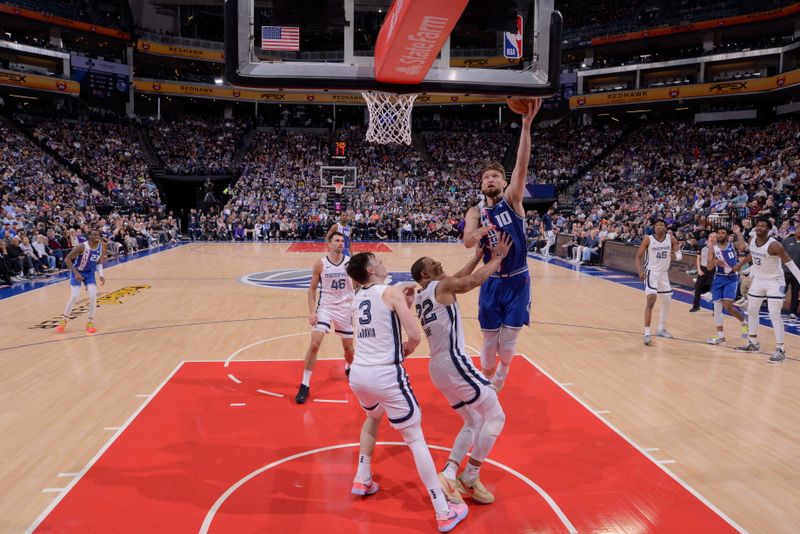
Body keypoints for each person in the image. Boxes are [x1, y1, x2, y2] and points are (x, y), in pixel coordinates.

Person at [345, 252, 469, 532]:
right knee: (415, 438)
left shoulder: (356, 297)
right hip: (385, 374)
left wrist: (406, 300)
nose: (381, 260)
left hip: (359, 375)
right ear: (371, 268)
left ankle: (362, 477)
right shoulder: (390, 292)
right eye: (376, 259)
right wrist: (409, 349)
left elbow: (382, 319)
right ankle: (443, 509)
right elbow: (413, 336)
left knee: (373, 417)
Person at [409, 234, 510, 506]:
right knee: (496, 417)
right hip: (454, 361)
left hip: (437, 368)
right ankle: (470, 475)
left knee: (474, 421)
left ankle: (451, 472)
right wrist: (498, 257)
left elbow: (455, 279)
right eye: (432, 262)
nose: (438, 262)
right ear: (423, 273)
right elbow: (472, 281)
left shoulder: (424, 295)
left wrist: (477, 256)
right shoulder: (441, 286)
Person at [462, 98, 542, 392]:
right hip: (491, 280)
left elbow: (522, 165)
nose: (491, 179)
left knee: (507, 343)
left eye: (496, 175)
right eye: (486, 177)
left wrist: (525, 126)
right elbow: (468, 240)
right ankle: (486, 379)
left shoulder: (513, 200)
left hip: (518, 280)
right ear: (481, 185)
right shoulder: (474, 211)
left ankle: (501, 375)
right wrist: (480, 230)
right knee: (487, 339)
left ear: (504, 181)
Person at [295, 232, 354, 404]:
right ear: (329, 244)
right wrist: (312, 312)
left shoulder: (350, 263)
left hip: (345, 308)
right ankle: (305, 384)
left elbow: (358, 286)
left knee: (349, 350)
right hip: (326, 307)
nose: (340, 243)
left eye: (342, 241)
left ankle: (349, 367)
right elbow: (312, 289)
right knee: (314, 344)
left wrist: (355, 305)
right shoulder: (320, 264)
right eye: (337, 241)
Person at [733, 218, 800, 362]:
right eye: (758, 225)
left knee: (774, 314)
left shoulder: (775, 245)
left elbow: (790, 264)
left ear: (769, 229)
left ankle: (780, 349)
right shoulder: (752, 241)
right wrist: (740, 264)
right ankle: (753, 343)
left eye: (763, 226)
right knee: (751, 310)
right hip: (759, 279)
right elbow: (752, 253)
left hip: (775, 281)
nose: (760, 227)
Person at [635, 220, 682, 345]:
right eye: (657, 225)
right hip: (651, 272)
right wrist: (640, 271)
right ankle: (646, 333)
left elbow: (679, 255)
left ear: (665, 228)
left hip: (663, 274)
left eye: (661, 225)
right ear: (654, 228)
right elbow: (638, 256)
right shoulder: (648, 239)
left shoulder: (671, 239)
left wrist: (675, 257)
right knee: (651, 300)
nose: (659, 227)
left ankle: (661, 328)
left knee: (667, 299)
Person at [57, 228, 106, 334]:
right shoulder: (82, 246)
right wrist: (76, 273)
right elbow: (67, 259)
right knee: (74, 296)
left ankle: (90, 322)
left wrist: (101, 275)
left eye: (98, 234)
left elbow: (98, 263)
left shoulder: (100, 247)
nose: (97, 236)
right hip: (77, 271)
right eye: (94, 235)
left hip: (90, 274)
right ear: (89, 236)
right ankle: (64, 320)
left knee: (93, 297)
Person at [706, 226, 748, 345]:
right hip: (718, 278)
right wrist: (714, 262)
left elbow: (743, 247)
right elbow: (709, 267)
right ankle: (720, 336)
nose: (720, 235)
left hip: (731, 278)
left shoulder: (732, 245)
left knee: (728, 306)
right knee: (717, 308)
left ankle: (744, 321)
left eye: (722, 233)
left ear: (727, 235)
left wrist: (738, 233)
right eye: (718, 233)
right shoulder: (712, 248)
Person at [691, 233, 715, 312]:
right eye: (710, 236)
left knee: (714, 290)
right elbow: (698, 259)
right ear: (708, 238)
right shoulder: (702, 247)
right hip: (703, 268)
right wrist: (699, 269)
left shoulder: (718, 248)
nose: (712, 238)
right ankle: (696, 306)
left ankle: (716, 309)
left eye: (714, 237)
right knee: (697, 288)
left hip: (713, 270)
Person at [781, 224, 800, 319]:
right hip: (785, 271)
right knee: (780, 292)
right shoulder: (787, 240)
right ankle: (775, 309)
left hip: (798, 273)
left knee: (796, 294)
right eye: (798, 229)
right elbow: (778, 253)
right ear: (795, 230)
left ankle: (792, 312)